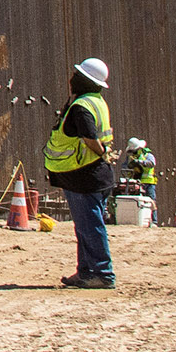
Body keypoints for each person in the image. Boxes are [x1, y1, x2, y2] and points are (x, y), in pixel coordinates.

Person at [45, 57, 115, 287]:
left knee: (90, 226)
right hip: (92, 175)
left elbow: (90, 139)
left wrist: (100, 151)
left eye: (76, 75)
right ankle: (86, 271)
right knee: (85, 226)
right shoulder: (97, 102)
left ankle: (102, 273)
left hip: (83, 175)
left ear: (85, 81)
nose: (71, 79)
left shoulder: (82, 107)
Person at [124, 138, 158, 224]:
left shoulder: (147, 155)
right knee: (139, 202)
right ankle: (141, 220)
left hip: (148, 182)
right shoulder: (131, 158)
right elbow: (126, 166)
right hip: (137, 182)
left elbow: (151, 163)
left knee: (151, 201)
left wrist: (139, 162)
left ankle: (154, 221)